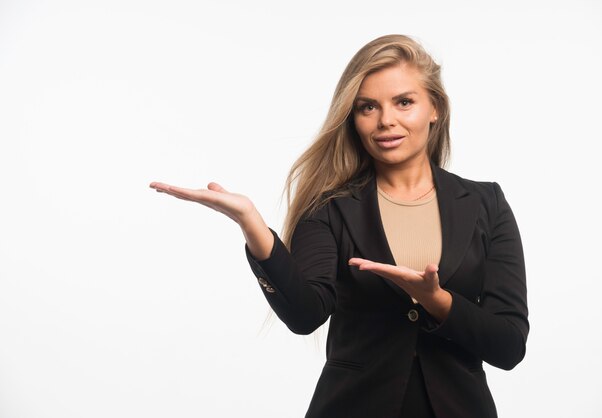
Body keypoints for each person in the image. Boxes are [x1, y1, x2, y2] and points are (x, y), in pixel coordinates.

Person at [150, 34, 529, 418]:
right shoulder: (330, 208)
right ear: (352, 117)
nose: (386, 121)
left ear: (435, 108)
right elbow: (304, 314)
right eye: (368, 107)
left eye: (404, 102)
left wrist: (437, 300)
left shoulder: (486, 203)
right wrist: (253, 225)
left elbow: (509, 346)